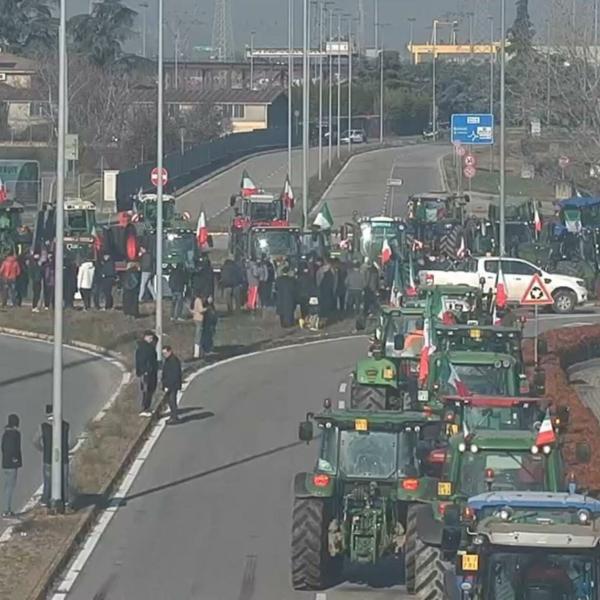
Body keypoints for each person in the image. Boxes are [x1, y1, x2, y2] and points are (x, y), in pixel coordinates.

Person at [34, 406, 70, 507]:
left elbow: (35, 441)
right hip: (63, 459)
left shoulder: (43, 427)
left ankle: (45, 501)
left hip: (48, 459)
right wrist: (66, 449)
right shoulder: (65, 425)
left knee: (48, 481)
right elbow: (73, 441)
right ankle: (66, 501)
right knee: (64, 481)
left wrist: (43, 449)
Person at [1, 414, 22, 517]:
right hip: (12, 464)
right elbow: (16, 448)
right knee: (10, 486)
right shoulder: (16, 434)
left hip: (5, 463)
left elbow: (3, 447)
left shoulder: (5, 434)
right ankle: (7, 510)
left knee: (6, 486)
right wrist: (15, 459)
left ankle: (6, 508)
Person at [135, 330, 158, 416]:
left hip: (149, 372)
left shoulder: (148, 347)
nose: (151, 340)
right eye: (150, 338)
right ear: (145, 337)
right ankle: (144, 408)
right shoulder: (144, 348)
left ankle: (147, 407)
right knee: (146, 390)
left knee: (149, 390)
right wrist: (145, 371)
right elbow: (141, 361)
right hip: (146, 373)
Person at [161, 345, 182, 424]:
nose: (164, 355)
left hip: (173, 385)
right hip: (169, 385)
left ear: (170, 351)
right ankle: (173, 416)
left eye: (165, 353)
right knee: (170, 401)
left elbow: (174, 375)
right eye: (163, 353)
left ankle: (174, 417)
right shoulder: (168, 360)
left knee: (172, 401)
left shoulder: (174, 361)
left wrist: (168, 386)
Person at [192, 291, 206, 359]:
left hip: (195, 318)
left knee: (198, 335)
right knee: (198, 335)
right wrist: (206, 309)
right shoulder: (199, 300)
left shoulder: (196, 300)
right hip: (199, 318)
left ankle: (197, 352)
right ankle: (197, 353)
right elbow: (201, 310)